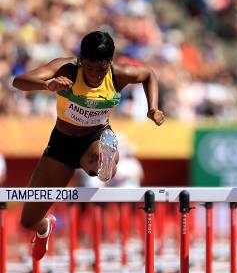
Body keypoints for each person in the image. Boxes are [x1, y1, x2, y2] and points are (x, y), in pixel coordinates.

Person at [12, 31, 165, 260]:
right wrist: (48, 84)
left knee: (101, 168)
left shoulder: (118, 75)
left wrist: (152, 107)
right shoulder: (66, 69)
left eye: (101, 70)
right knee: (28, 221)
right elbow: (19, 81)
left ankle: (108, 152)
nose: (94, 76)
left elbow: (148, 74)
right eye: (90, 69)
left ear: (109, 64)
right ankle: (45, 227)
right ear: (82, 61)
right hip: (61, 144)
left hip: (95, 138)